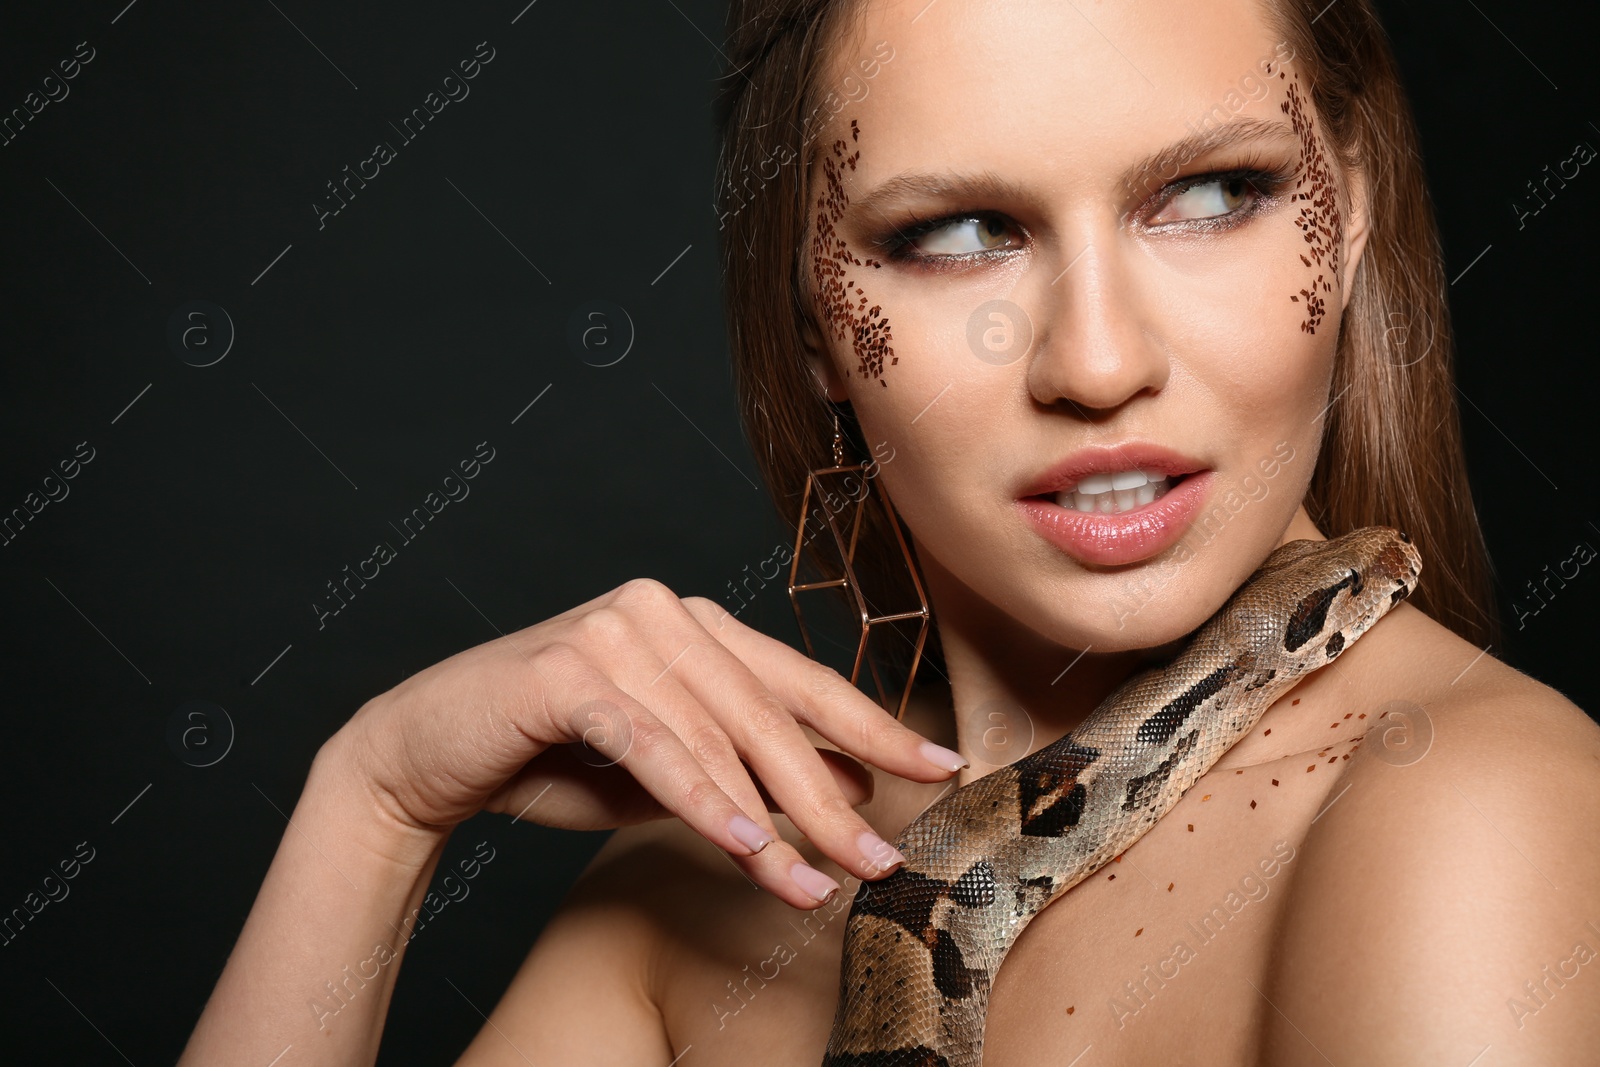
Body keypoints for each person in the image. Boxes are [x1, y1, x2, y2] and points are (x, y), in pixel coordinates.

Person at [180, 0, 1600, 1063]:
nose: (1096, 363)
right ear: (810, 323)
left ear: (1345, 214)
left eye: (1214, 194)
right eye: (956, 233)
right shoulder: (702, 884)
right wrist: (373, 806)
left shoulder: (1465, 804)